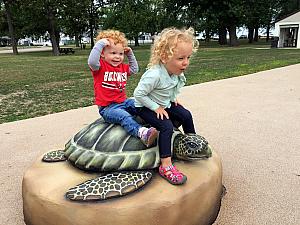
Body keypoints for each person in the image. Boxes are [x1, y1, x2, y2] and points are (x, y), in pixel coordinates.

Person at [134, 27, 199, 185]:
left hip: (163, 103)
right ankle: (166, 164)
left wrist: (173, 98)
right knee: (166, 126)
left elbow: (171, 87)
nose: (185, 63)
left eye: (188, 57)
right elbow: (138, 94)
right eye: (181, 58)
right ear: (164, 57)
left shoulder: (175, 72)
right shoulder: (154, 74)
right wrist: (156, 108)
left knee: (186, 115)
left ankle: (193, 143)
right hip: (145, 106)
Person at [88, 29, 158, 147]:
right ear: (102, 54)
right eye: (113, 53)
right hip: (108, 108)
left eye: (120, 54)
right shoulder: (100, 67)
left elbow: (134, 69)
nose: (117, 57)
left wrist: (129, 54)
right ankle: (142, 134)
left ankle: (157, 122)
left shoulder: (122, 67)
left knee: (140, 104)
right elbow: (92, 62)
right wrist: (100, 44)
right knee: (124, 116)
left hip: (124, 102)